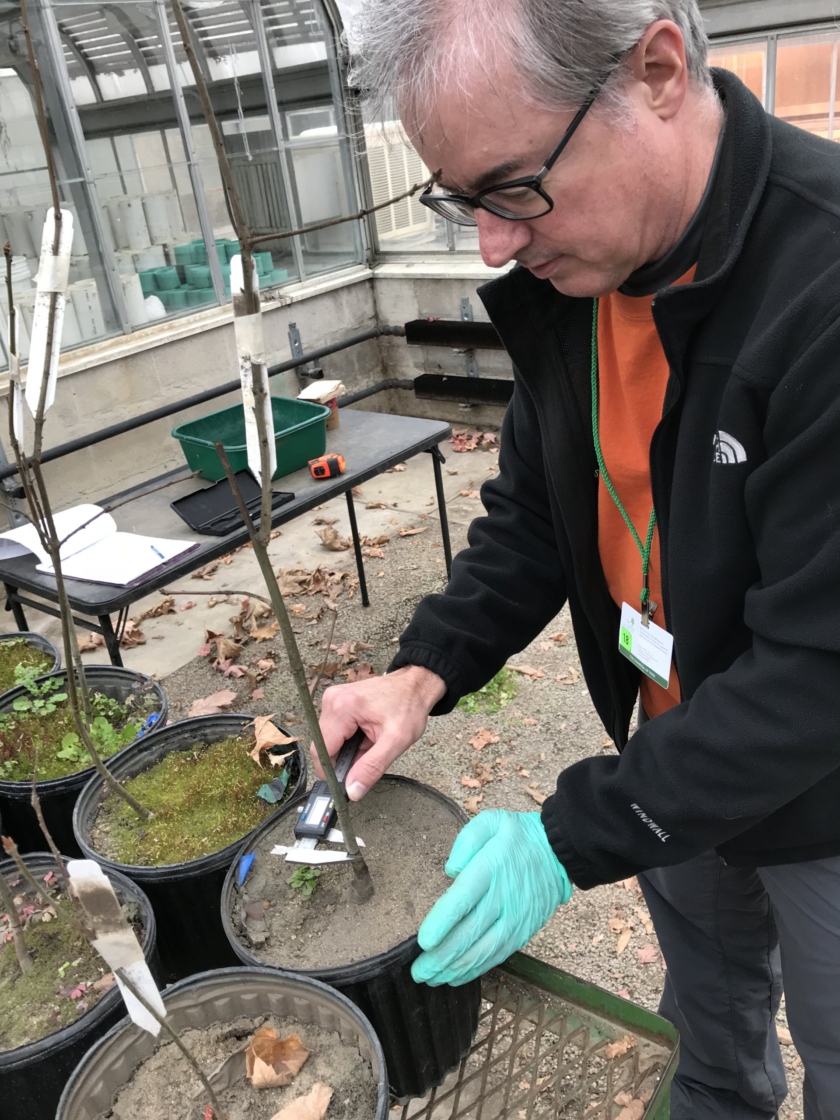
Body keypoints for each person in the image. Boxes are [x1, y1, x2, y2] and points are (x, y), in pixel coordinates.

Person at [318, 2, 840, 1116]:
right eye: (461, 199)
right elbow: (539, 513)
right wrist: (425, 667)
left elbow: (818, 671)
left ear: (656, 70)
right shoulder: (584, 278)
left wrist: (565, 838)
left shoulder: (824, 288)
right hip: (668, 753)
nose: (493, 244)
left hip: (826, 789)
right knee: (705, 1039)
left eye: (512, 187)